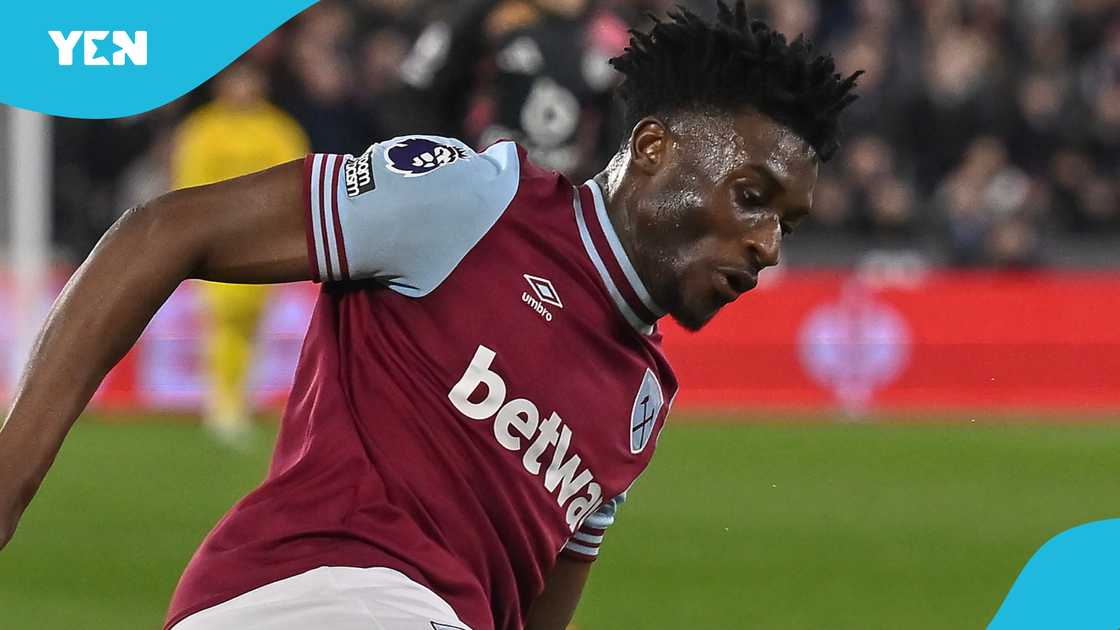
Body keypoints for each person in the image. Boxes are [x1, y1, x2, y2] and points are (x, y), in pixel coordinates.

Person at [0, 3, 860, 629]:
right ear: (652, 149)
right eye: (752, 198)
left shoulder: (642, 404)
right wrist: (11, 482)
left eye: (787, 222)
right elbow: (163, 229)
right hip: (311, 597)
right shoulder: (477, 198)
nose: (768, 244)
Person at [172, 61, 310, 446]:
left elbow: (295, 177)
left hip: (265, 239)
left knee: (253, 323)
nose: (243, 88)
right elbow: (188, 182)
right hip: (217, 237)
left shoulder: (277, 128)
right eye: (236, 81)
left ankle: (238, 401)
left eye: (249, 80)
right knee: (224, 320)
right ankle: (223, 405)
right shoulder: (202, 129)